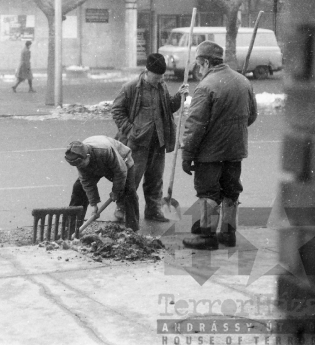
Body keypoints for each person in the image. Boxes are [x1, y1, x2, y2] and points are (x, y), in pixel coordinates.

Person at [181, 41, 257, 250]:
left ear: (205, 62)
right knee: (231, 191)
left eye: (198, 65)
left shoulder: (206, 87)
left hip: (210, 153)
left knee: (208, 192)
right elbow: (251, 116)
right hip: (235, 150)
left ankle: (207, 236)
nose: (198, 69)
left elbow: (195, 126)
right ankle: (227, 233)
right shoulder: (243, 82)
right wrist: (231, 130)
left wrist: (187, 155)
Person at [111, 53, 189, 223]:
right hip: (137, 143)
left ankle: (153, 210)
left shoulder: (161, 86)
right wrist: (130, 130)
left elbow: (168, 107)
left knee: (155, 180)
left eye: (162, 76)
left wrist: (179, 97)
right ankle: (122, 208)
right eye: (157, 76)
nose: (160, 79)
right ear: (147, 71)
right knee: (132, 179)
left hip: (158, 141)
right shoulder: (131, 87)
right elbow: (117, 110)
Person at [65, 136, 140, 232]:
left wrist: (116, 192)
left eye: (81, 165)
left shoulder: (104, 150)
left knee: (129, 191)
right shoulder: (79, 158)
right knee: (79, 188)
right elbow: (86, 182)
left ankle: (132, 229)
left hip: (122, 161)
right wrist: (94, 204)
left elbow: (121, 171)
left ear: (87, 156)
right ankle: (72, 228)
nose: (80, 168)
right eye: (78, 166)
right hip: (95, 164)